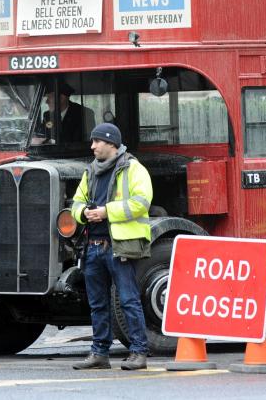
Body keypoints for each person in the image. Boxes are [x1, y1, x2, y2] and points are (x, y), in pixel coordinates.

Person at [71, 123, 154, 371]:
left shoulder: (133, 168)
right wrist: (84, 214)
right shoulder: (90, 171)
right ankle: (99, 353)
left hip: (119, 246)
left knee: (128, 299)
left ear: (112, 144)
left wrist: (107, 212)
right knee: (97, 303)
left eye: (97, 141)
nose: (93, 146)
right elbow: (75, 203)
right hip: (94, 247)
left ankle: (139, 353)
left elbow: (142, 202)